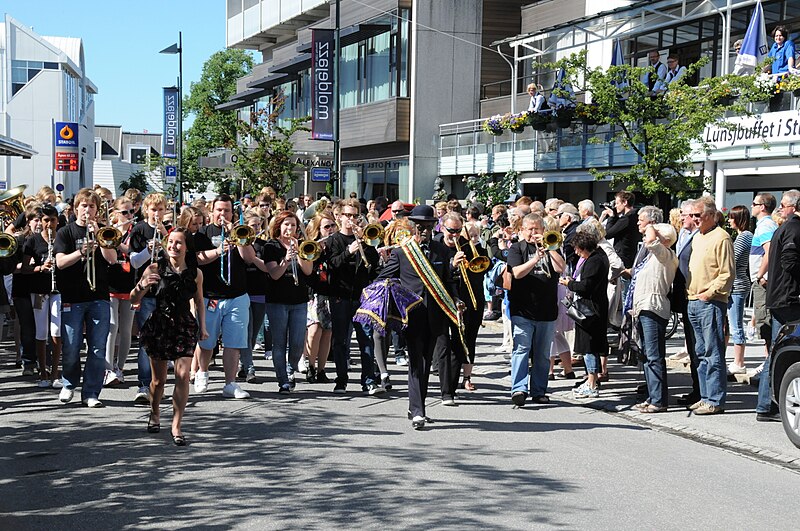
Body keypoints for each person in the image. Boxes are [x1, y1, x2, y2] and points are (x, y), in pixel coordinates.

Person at [377, 205, 457, 429]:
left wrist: (456, 299)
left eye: (428, 226)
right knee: (415, 363)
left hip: (436, 315)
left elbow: (448, 281)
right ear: (413, 227)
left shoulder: (441, 251)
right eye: (420, 227)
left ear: (434, 227)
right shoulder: (403, 252)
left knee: (425, 361)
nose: (424, 231)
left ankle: (416, 407)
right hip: (411, 316)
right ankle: (418, 412)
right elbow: (383, 279)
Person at [131, 228, 207, 445]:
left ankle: (176, 425)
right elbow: (132, 298)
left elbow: (200, 301)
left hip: (184, 325)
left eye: (178, 243)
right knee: (159, 380)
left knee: (183, 376)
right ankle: (154, 412)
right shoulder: (155, 268)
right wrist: (142, 285)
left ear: (186, 247)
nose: (173, 246)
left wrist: (204, 326)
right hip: (160, 325)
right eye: (170, 242)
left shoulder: (196, 274)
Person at [194, 194, 262, 398]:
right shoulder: (203, 233)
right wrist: (217, 251)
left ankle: (230, 383)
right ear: (211, 211)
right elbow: (197, 259)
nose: (222, 214)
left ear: (233, 213)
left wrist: (237, 235)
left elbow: (250, 258)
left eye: (227, 210)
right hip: (210, 296)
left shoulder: (240, 232)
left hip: (237, 296)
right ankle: (202, 373)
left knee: (234, 342)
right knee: (206, 341)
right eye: (219, 210)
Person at [54, 188, 118, 408]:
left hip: (99, 296)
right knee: (71, 346)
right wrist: (81, 252)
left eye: (92, 207)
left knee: (98, 348)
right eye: (84, 206)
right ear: (76, 208)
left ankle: (91, 391)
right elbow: (60, 262)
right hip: (73, 295)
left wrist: (100, 236)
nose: (87, 210)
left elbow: (112, 259)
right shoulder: (65, 232)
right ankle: (69, 383)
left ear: (97, 210)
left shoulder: (103, 231)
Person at [508, 214, 565, 407]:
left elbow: (560, 268)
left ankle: (539, 391)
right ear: (523, 230)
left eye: (537, 229)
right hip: (523, 309)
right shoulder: (517, 248)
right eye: (530, 229)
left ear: (544, 230)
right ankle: (519, 389)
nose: (534, 233)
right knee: (521, 349)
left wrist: (550, 250)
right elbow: (516, 273)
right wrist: (535, 259)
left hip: (546, 309)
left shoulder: (552, 246)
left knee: (542, 354)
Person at [685, 197, 734, 415]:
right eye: (692, 215)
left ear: (711, 215)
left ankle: (714, 399)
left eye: (698, 215)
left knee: (713, 353)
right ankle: (705, 396)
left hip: (710, 302)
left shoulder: (721, 237)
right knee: (700, 353)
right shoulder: (698, 237)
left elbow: (727, 273)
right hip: (694, 300)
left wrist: (709, 293)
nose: (694, 219)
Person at [327, 199, 381, 394]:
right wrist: (349, 251)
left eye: (354, 215)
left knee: (366, 339)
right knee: (340, 340)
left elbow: (374, 263)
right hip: (340, 296)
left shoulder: (363, 238)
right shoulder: (333, 240)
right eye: (347, 215)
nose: (351, 219)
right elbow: (333, 264)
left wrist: (365, 243)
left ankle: (368, 381)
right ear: (339, 217)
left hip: (362, 296)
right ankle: (341, 380)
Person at [757, 190, 800, 421]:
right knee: (778, 351)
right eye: (781, 205)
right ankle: (767, 404)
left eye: (783, 205)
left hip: (780, 297)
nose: (780, 210)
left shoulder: (784, 228)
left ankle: (766, 404)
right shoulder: (793, 228)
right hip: (788, 299)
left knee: (774, 351)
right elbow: (789, 261)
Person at [263, 210, 314, 393]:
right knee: (279, 342)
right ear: (279, 226)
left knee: (298, 343)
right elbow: (274, 274)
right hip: (277, 300)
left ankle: (291, 369)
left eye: (293, 225)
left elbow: (307, 271)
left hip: (299, 300)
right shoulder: (271, 246)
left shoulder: (303, 245)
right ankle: (283, 380)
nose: (290, 228)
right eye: (286, 224)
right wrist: (285, 260)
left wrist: (299, 252)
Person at [630, 224, 678, 413]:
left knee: (654, 355)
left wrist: (650, 225)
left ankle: (658, 400)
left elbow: (650, 240)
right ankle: (652, 395)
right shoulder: (653, 257)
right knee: (648, 357)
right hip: (644, 308)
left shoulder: (665, 254)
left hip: (653, 308)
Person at [129, 193, 170, 404]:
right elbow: (134, 262)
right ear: (146, 210)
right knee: (146, 341)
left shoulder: (169, 231)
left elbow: (177, 261)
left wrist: (165, 237)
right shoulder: (139, 229)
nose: (157, 214)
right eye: (153, 210)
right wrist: (148, 250)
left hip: (166, 292)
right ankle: (143, 385)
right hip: (146, 293)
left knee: (163, 341)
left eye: (160, 210)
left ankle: (159, 383)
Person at [561, 231, 609, 399]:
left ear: (583, 247)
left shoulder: (595, 261)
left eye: (577, 249)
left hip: (591, 310)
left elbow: (586, 286)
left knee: (590, 348)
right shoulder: (599, 256)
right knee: (592, 347)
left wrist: (570, 284)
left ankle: (592, 383)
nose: (576, 252)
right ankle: (591, 381)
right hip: (594, 307)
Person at [21, 204, 62, 388]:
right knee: (41, 331)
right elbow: (25, 270)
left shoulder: (61, 238)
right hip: (38, 291)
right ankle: (43, 373)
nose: (49, 224)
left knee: (56, 330)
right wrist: (40, 267)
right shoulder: (33, 241)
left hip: (58, 290)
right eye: (46, 220)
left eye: (52, 220)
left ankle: (55, 374)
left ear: (57, 221)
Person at [103, 197, 137, 386]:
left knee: (125, 329)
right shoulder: (110, 230)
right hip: (111, 284)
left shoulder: (135, 231)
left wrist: (117, 242)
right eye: (124, 212)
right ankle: (107, 369)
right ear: (115, 213)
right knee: (112, 326)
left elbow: (134, 252)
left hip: (130, 284)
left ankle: (120, 368)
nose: (129, 215)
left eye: (131, 212)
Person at [303, 212, 338, 384]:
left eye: (333, 226)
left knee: (328, 332)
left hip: (331, 292)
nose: (330, 230)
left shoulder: (336, 244)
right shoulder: (312, 246)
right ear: (318, 229)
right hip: (314, 292)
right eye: (326, 227)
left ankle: (322, 369)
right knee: (314, 330)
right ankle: (310, 365)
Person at [725, 205, 753, 375]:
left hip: (738, 284)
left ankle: (739, 362)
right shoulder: (742, 236)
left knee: (736, 324)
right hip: (736, 284)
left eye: (731, 217)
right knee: (730, 324)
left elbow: (731, 259)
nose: (729, 221)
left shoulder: (745, 237)